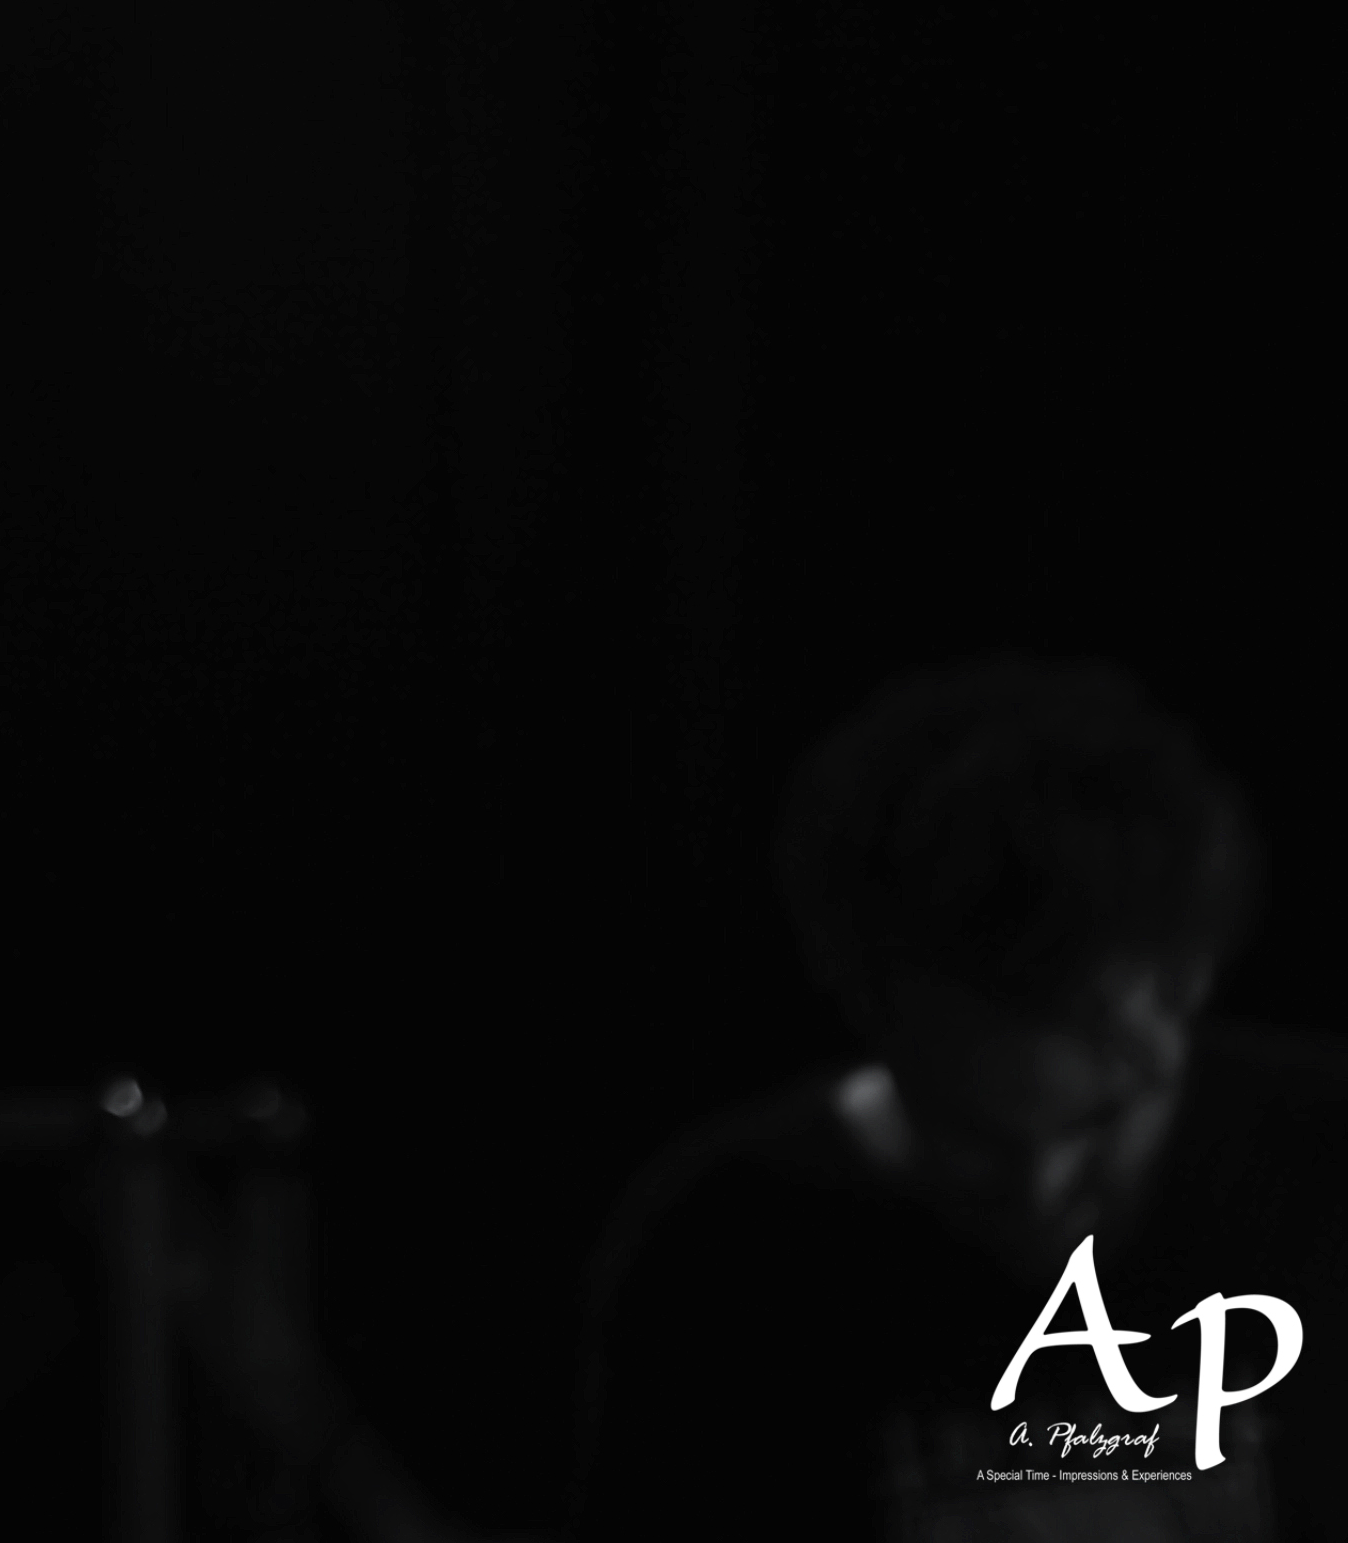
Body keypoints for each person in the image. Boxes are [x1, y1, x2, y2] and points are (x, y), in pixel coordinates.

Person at [577, 658, 1348, 1538]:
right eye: (968, 1135)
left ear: (1187, 990)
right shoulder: (721, 1258)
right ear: (870, 1020)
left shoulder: (1326, 1170)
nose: (1039, 1190)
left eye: (1098, 1124)